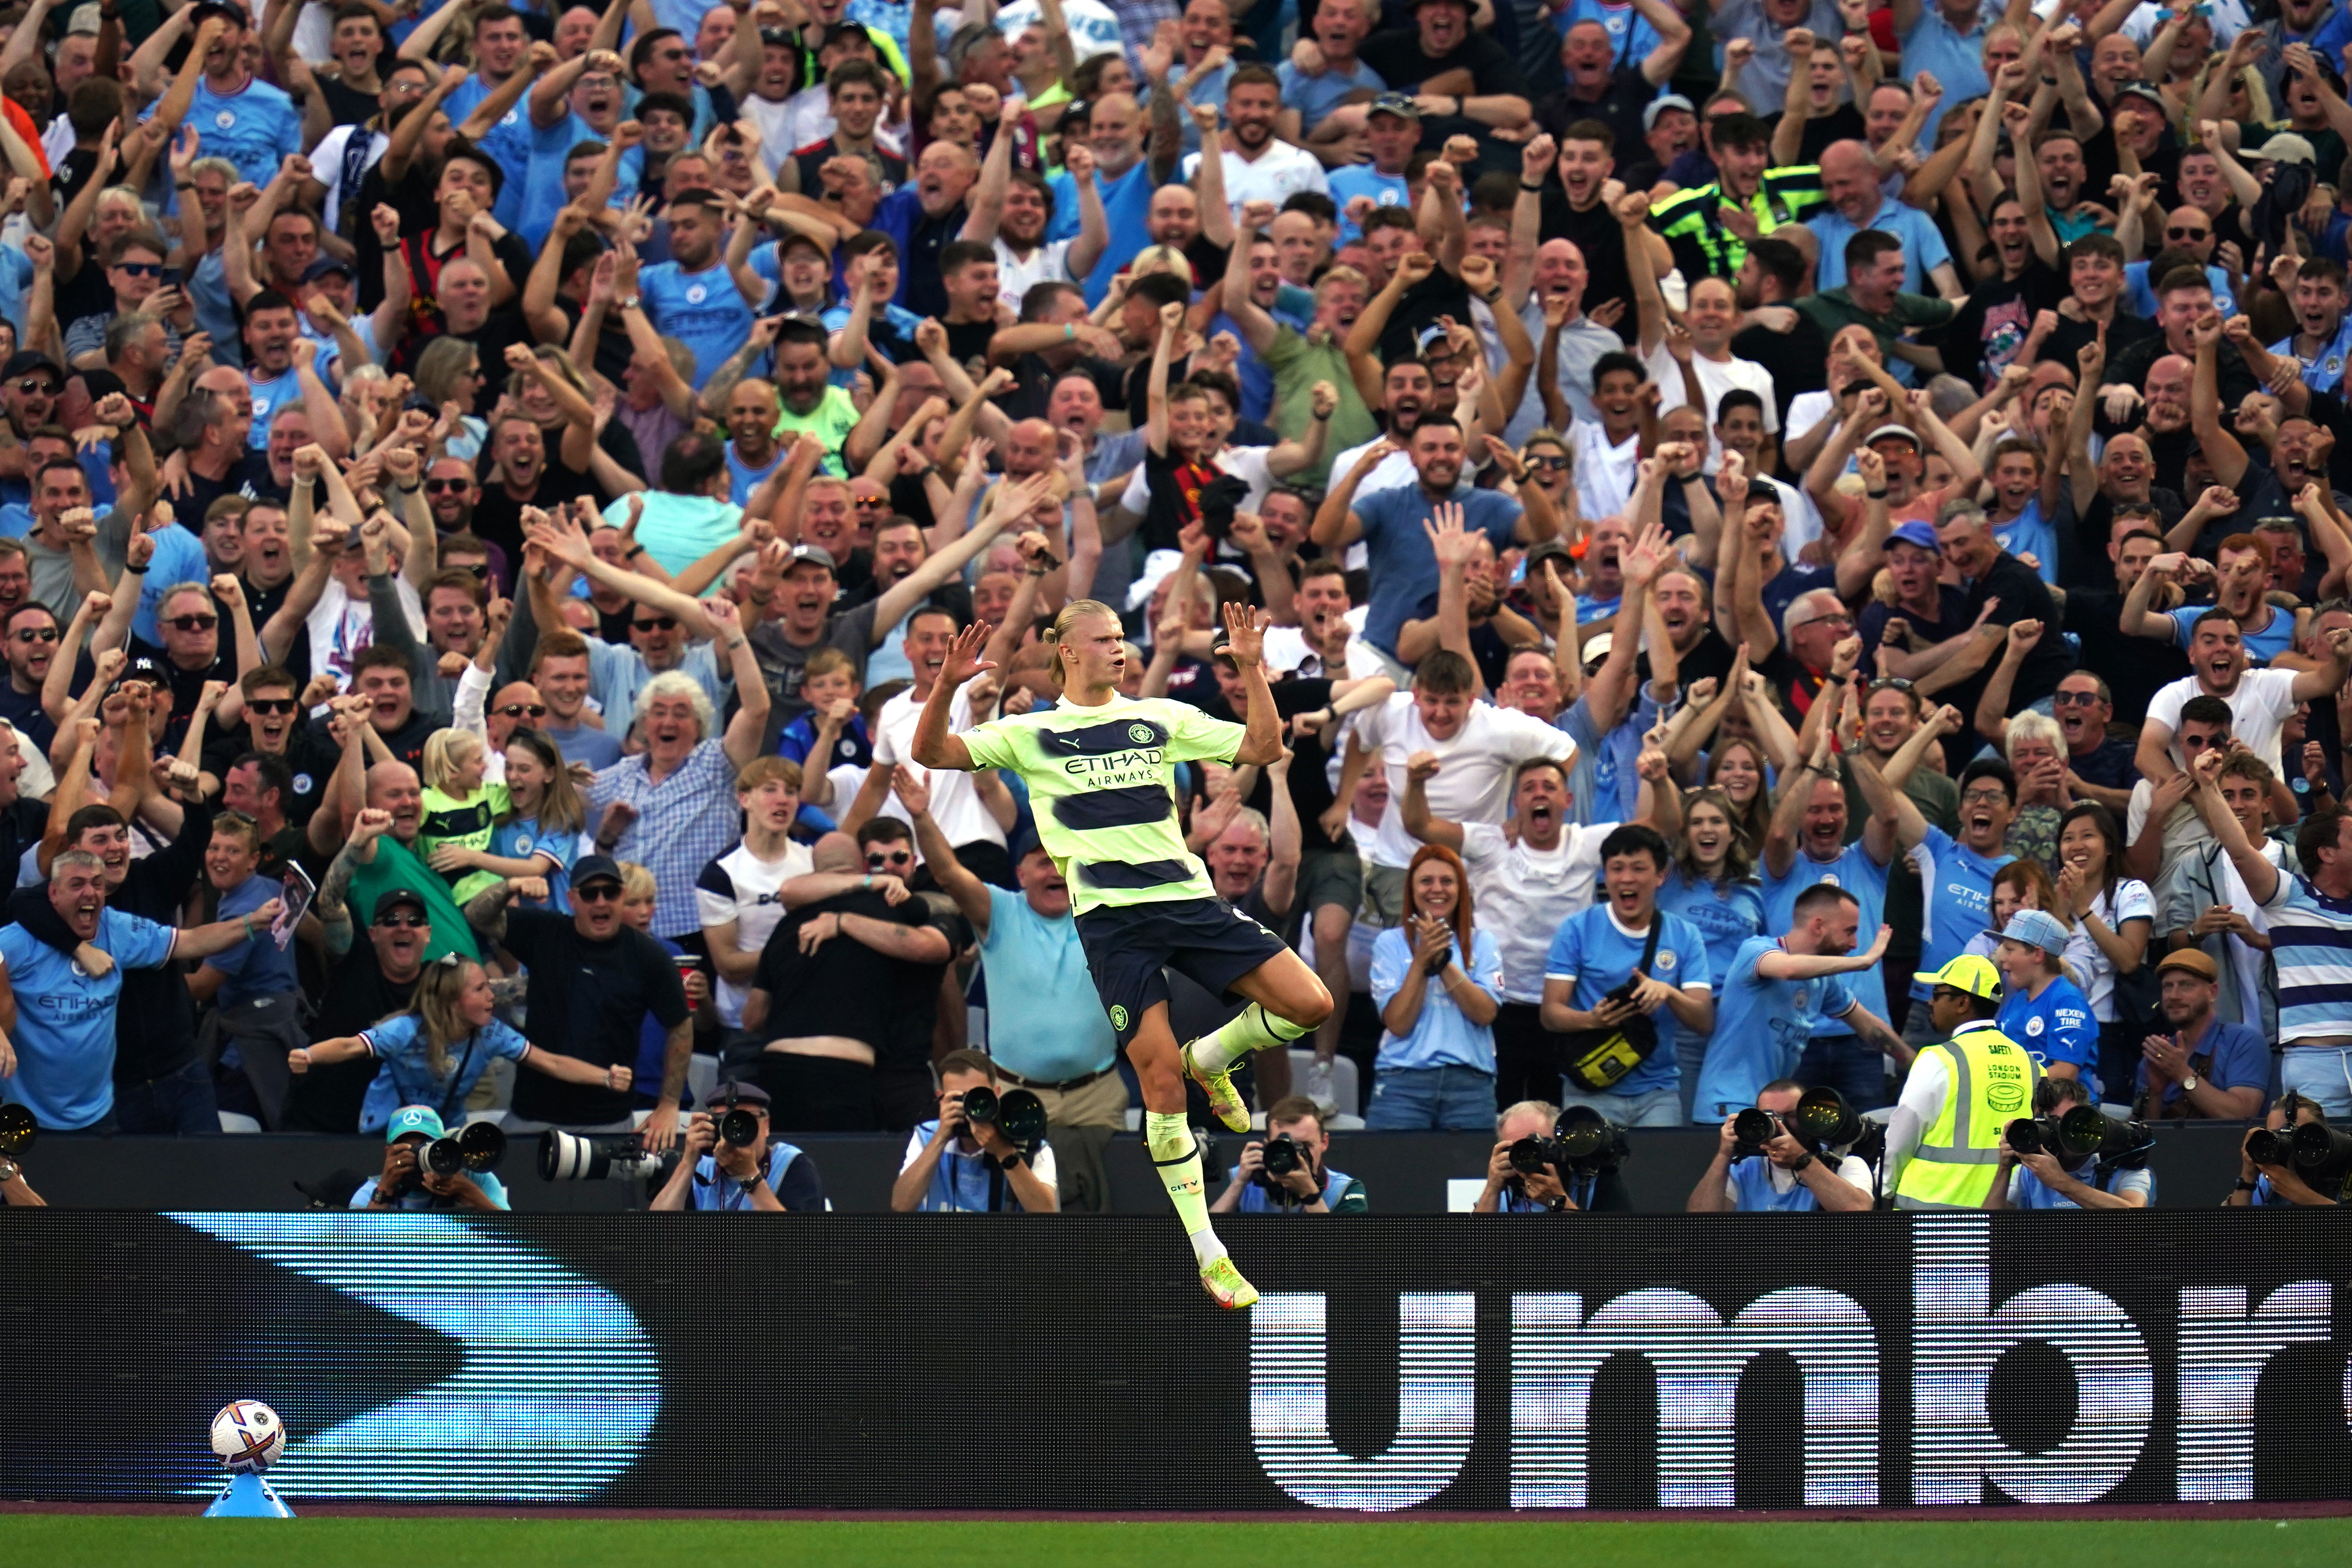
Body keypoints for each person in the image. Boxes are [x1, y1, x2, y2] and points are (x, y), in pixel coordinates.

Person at [912, 602, 1333, 1308]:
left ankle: (1210, 1056)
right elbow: (932, 754)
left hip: (1187, 899)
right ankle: (1209, 1251)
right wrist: (947, 685)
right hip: (1113, 924)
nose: (1120, 648)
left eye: (1120, 637)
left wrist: (1253, 668)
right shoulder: (1030, 731)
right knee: (1160, 1089)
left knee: (1311, 1003)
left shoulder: (1160, 717)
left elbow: (1262, 747)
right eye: (1105, 638)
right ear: (1068, 651)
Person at [900, 772, 1125, 1213]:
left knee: (1099, 1222)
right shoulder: (998, 909)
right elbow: (946, 872)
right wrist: (921, 815)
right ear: (1020, 873)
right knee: (1010, 1211)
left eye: (1064, 860)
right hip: (1011, 1093)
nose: (1055, 870)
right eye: (1042, 861)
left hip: (1096, 1099)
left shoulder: (1106, 913)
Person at [0, 849, 276, 1133]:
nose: (90, 893)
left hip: (99, 1115)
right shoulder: (20, 941)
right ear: (53, 895)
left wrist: (252, 922)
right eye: (77, 884)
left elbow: (191, 942)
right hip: (27, 1115)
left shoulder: (116, 928)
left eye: (97, 884)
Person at [460, 854, 691, 1143]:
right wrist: (512, 886)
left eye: (610, 892)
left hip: (607, 1121)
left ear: (621, 896)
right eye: (590, 894)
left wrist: (669, 1105)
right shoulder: (545, 932)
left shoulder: (650, 957)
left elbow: (681, 1026)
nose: (601, 902)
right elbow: (476, 916)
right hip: (532, 1116)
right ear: (572, 899)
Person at [289, 952, 630, 1133]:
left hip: (445, 1135)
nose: (491, 997)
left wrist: (605, 1077)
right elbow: (349, 1046)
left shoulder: (492, 1033)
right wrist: (309, 1054)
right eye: (480, 989)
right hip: (386, 1134)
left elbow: (552, 1062)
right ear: (453, 1000)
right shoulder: (407, 1029)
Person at [2189, 747, 2352, 1117]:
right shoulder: (2290, 896)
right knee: (2313, 1170)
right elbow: (2242, 852)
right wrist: (2209, 786)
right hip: (2314, 1065)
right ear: (2327, 853)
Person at [1540, 824, 1715, 1127]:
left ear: (1661, 875)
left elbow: (1703, 1021)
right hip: (1590, 1087)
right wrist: (1592, 1020)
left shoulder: (1685, 935)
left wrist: (1668, 993)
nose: (1626, 878)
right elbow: (1550, 1014)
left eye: (1638, 868)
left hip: (1658, 1091)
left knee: (1658, 1175)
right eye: (1616, 868)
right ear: (1605, 875)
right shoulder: (1578, 928)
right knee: (1587, 1175)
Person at [1691, 885, 1904, 1123]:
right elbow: (1788, 969)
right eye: (1850, 932)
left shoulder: (1824, 980)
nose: (1855, 943)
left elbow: (1871, 1029)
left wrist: (1921, 1064)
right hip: (1729, 1107)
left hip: (1773, 1113)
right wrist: (1863, 962)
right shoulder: (1756, 950)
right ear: (1818, 926)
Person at [1365, 842, 1504, 1129]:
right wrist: (1421, 960)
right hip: (1403, 1083)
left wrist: (1442, 963)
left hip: (1470, 1085)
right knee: (1389, 1174)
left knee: (1469, 1176)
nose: (1436, 889)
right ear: (1412, 890)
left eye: (1447, 881)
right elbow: (1399, 1023)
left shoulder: (1483, 943)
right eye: (1426, 881)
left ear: (1461, 890)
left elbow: (1485, 1013)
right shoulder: (1389, 944)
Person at [1888, 955, 2043, 1210]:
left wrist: (1884, 1187)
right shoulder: (2031, 1065)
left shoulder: (1938, 1060)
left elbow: (1901, 1137)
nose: (1930, 1002)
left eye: (1937, 995)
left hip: (1931, 1214)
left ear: (1962, 1003)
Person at [891, 1048, 1061, 1213]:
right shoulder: (927, 1135)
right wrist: (941, 1138)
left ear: (996, 1094)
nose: (971, 1108)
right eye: (959, 1099)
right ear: (941, 1098)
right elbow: (901, 1206)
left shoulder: (1027, 1141)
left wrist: (1004, 1152)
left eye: (979, 1097)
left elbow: (1046, 1214)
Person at [1686, 1077, 1876, 1212]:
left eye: (1791, 1116)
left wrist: (1801, 1160)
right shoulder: (1742, 1169)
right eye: (1769, 1116)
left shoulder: (1843, 1164)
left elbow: (1857, 1212)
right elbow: (1699, 1223)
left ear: (1808, 1116)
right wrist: (1724, 1156)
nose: (1780, 1124)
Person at [647, 1080, 827, 1212]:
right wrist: (688, 1162)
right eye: (726, 1122)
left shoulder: (790, 1164)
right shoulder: (703, 1170)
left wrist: (749, 1175)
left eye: (746, 1120)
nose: (735, 1131)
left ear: (767, 1126)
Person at [2133, 948, 2269, 1121]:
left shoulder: (2244, 1041)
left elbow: (2242, 1116)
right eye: (2168, 986)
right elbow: (2145, 1139)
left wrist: (2182, 1073)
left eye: (2186, 985)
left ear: (2212, 992)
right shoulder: (2158, 1054)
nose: (2174, 996)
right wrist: (2156, 1093)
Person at [1985, 1076, 2155, 1210]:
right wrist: (2005, 1168)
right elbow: (1989, 1227)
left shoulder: (2121, 1167)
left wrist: (2061, 1182)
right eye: (2045, 1124)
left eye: (2063, 1123)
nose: (2054, 1133)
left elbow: (2135, 1217)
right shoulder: (2030, 1171)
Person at [1212, 1094, 1366, 1213]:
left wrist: (1310, 1196)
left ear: (1324, 1142)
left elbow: (1349, 1252)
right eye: (1284, 1147)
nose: (1296, 1156)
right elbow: (1203, 1243)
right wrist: (1238, 1184)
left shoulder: (1344, 1189)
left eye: (1305, 1146)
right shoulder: (1242, 1179)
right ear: (1267, 1145)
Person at [349, 1105, 510, 1211]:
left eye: (426, 1147)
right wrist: (385, 1191)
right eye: (407, 1150)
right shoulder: (372, 1191)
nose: (417, 1157)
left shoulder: (474, 1180)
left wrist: (468, 1191)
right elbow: (361, 1253)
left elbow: (515, 1235)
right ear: (388, 1153)